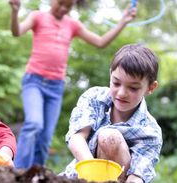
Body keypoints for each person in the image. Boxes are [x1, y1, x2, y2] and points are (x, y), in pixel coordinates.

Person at [9, 0, 137, 169]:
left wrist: (122, 22)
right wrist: (15, 12)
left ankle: (35, 173)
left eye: (68, 6)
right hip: (34, 81)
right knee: (34, 124)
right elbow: (17, 32)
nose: (63, 8)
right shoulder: (37, 17)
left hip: (55, 87)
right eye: (60, 4)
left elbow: (100, 42)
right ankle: (18, 171)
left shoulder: (72, 24)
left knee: (46, 136)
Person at [61, 44, 162, 183]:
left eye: (133, 88)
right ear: (110, 75)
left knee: (109, 137)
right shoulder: (94, 97)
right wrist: (93, 172)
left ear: (150, 87)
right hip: (81, 176)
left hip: (118, 179)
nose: (121, 93)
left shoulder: (150, 132)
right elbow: (76, 138)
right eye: (116, 83)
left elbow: (137, 177)